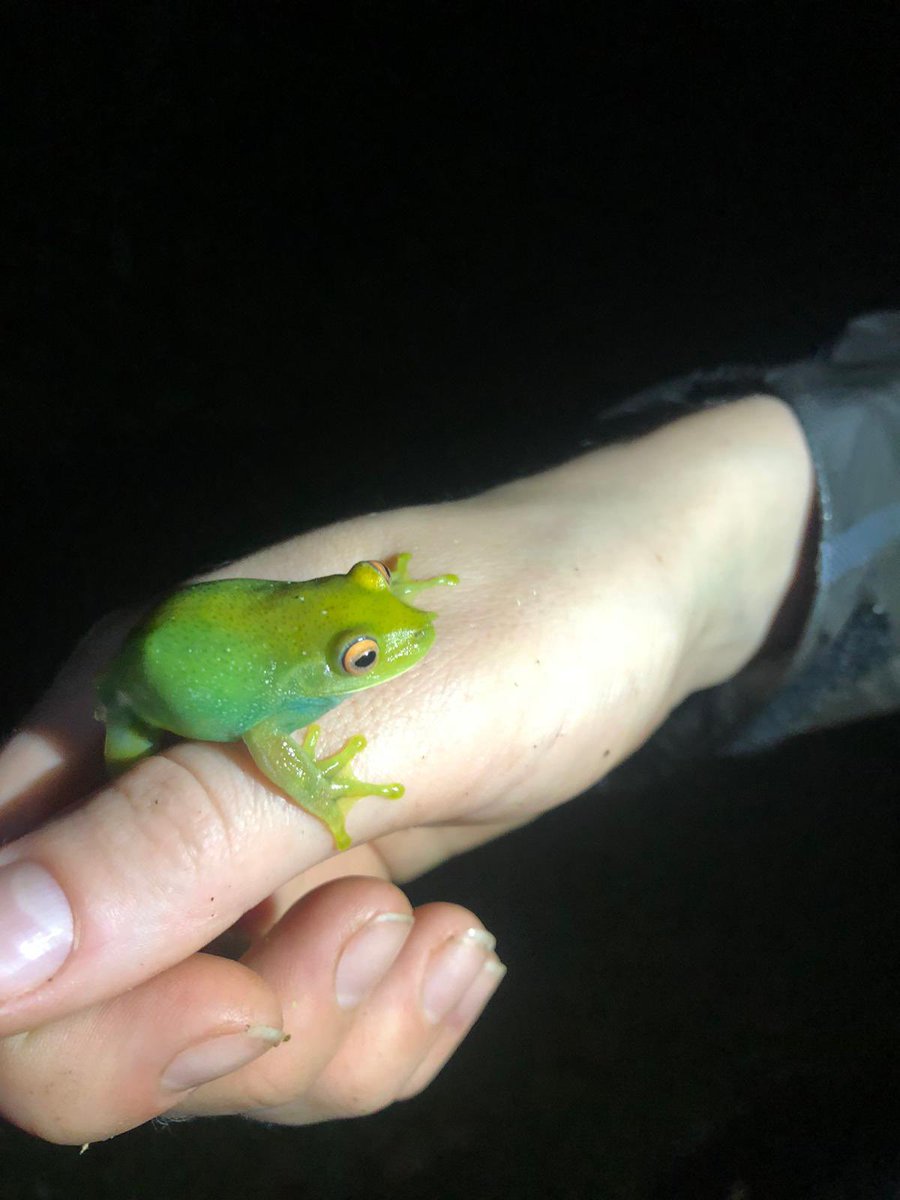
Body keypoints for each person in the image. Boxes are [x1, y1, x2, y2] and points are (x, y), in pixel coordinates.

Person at [0, 314, 897, 1144]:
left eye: (378, 602)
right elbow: (275, 746)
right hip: (139, 703)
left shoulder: (347, 633)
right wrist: (319, 788)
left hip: (207, 636)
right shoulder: (289, 698)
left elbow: (345, 608)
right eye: (363, 659)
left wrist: (688, 552)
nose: (400, 644)